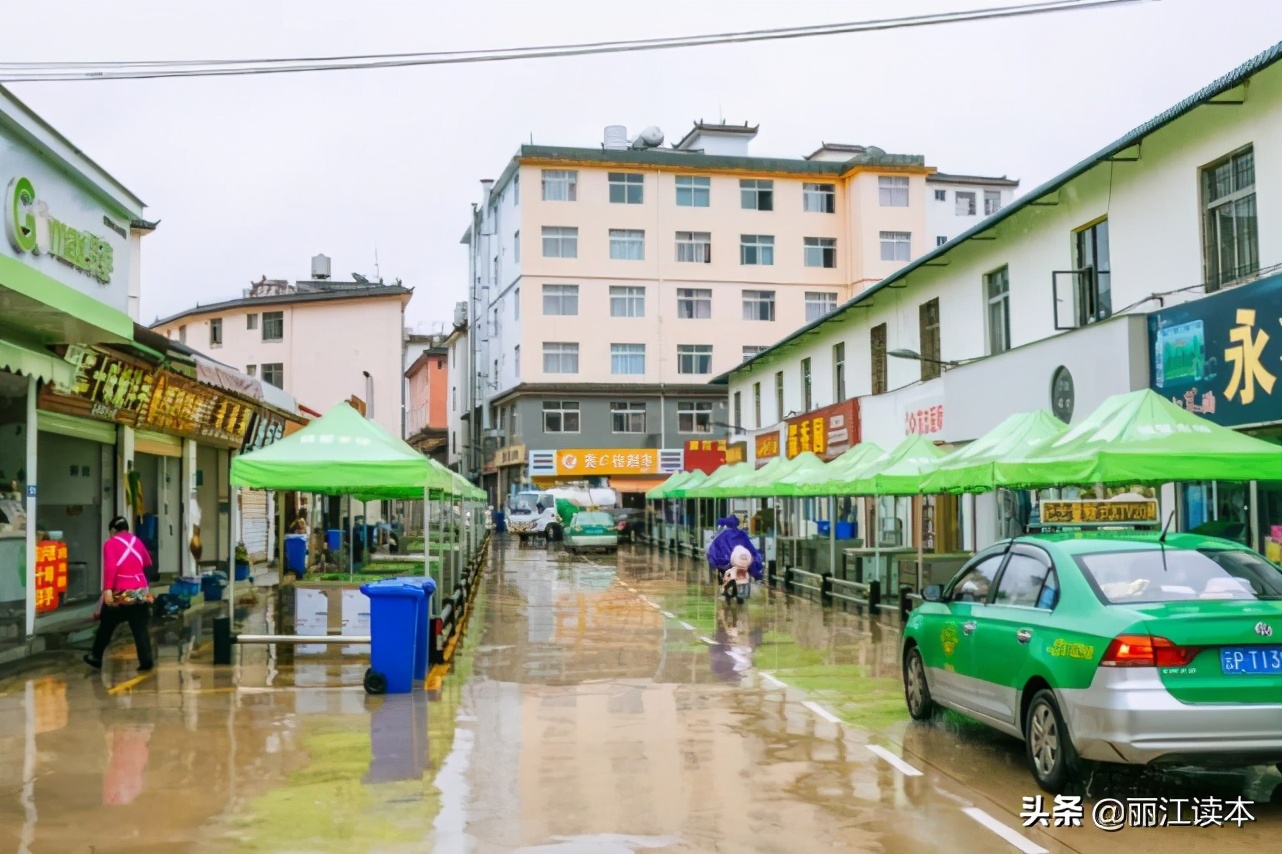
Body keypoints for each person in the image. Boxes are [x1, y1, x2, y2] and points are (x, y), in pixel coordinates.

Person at [85, 516, 155, 672]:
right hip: (140, 591)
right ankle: (146, 660)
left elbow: (110, 568)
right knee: (140, 628)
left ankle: (96, 657)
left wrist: (107, 590)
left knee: (106, 625)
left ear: (113, 531)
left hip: (121, 592)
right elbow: (147, 563)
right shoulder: (137, 541)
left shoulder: (110, 544)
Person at [706, 515, 763, 585]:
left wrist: (715, 561)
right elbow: (752, 550)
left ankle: (721, 584)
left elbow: (714, 550)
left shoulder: (722, 535)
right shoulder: (742, 534)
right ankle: (757, 578)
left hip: (726, 562)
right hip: (743, 562)